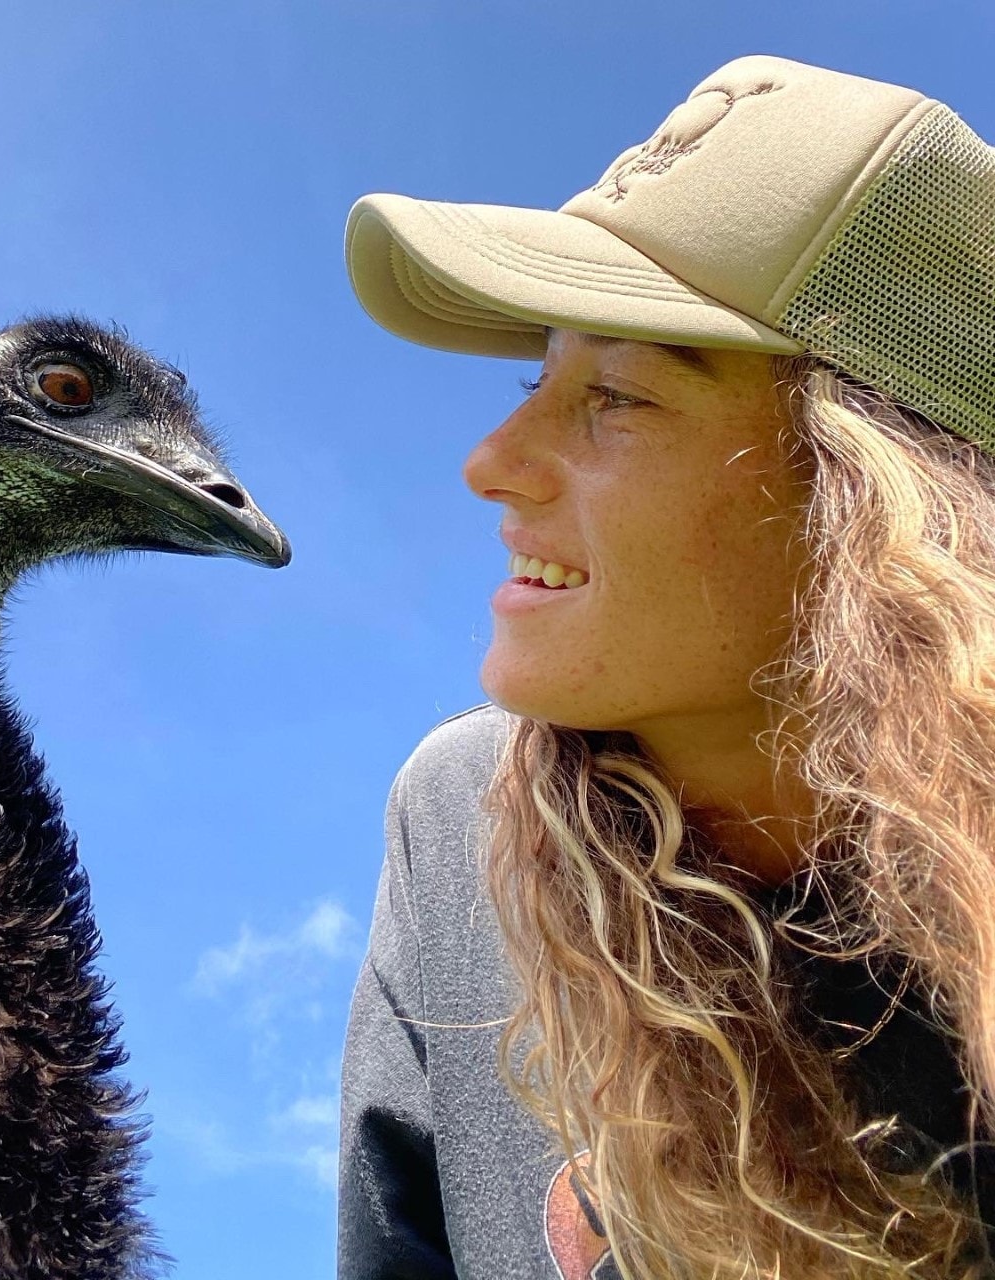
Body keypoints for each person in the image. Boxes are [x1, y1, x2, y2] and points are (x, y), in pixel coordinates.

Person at [336, 54, 995, 1279]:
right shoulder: (456, 817)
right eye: (543, 377)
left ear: (869, 499)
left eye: (617, 397)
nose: (491, 457)